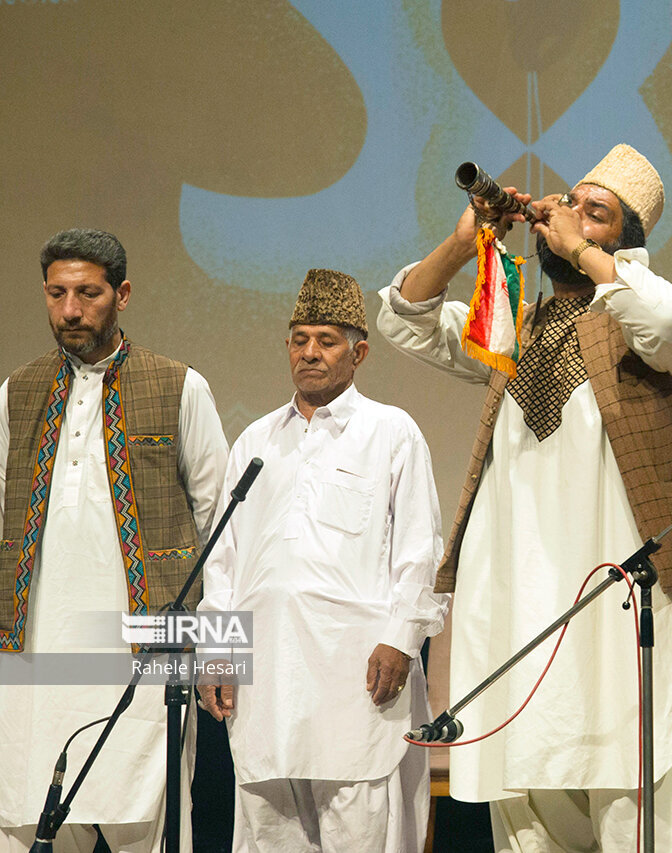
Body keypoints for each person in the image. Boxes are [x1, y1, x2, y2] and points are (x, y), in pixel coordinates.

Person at [377, 144, 672, 852]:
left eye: (594, 213)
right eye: (567, 202)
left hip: (619, 617)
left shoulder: (642, 316)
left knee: (638, 810)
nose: (566, 216)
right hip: (524, 619)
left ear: (627, 242)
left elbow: (669, 320)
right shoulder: (517, 323)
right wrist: (465, 240)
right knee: (529, 819)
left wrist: (587, 252)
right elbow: (405, 318)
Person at [196, 268, 449, 853]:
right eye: (300, 339)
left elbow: (420, 550)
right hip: (266, 689)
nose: (310, 353)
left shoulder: (391, 431)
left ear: (358, 352)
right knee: (268, 835)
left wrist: (401, 639)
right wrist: (215, 651)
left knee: (359, 831)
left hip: (357, 679)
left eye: (327, 341)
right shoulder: (256, 441)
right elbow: (223, 567)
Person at [0, 228, 229, 852]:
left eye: (87, 293)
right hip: (35, 646)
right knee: (29, 816)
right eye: (56, 293)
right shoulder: (18, 391)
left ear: (121, 294)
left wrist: (220, 656)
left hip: (150, 647)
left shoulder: (180, 385)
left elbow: (222, 530)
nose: (70, 310)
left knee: (146, 824)